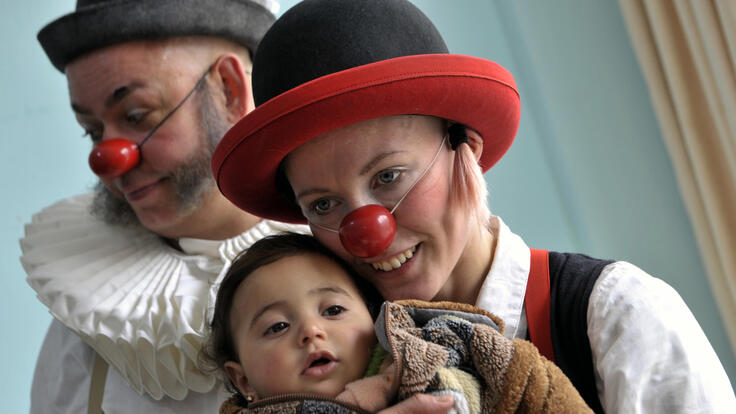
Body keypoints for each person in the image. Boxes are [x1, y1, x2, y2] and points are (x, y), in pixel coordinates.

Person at [212, 0, 736, 413]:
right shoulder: (317, 360)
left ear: (468, 149)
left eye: (389, 176)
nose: (365, 230)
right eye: (324, 203)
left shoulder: (614, 316)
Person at [20, 1, 311, 413]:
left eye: (137, 115)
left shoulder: (349, 262)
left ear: (228, 89)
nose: (109, 159)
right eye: (92, 131)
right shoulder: (97, 313)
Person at [202, 232, 593, 413]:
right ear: (243, 380)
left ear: (376, 320)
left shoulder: (440, 350)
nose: (311, 332)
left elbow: (533, 387)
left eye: (333, 310)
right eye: (276, 327)